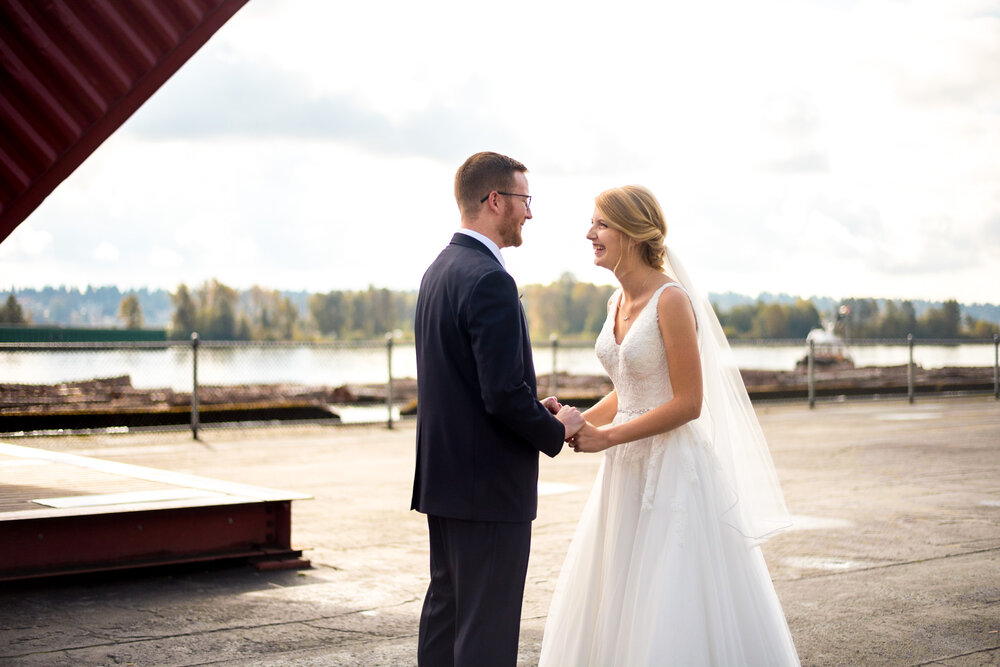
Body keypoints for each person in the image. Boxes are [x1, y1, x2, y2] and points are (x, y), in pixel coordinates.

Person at [538, 185, 800, 666]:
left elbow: (688, 402)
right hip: (623, 469)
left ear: (633, 233)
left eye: (600, 224)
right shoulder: (615, 301)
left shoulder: (672, 299)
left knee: (667, 592)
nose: (589, 234)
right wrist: (567, 423)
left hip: (672, 467)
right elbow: (630, 387)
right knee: (618, 588)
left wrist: (607, 436)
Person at [412, 151, 586, 667]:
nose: (529, 213)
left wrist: (533, 405)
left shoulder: (438, 269)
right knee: (486, 630)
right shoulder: (490, 279)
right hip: (486, 488)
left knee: (447, 615)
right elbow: (500, 395)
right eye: (524, 199)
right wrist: (556, 428)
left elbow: (469, 384)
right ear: (495, 200)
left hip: (444, 480)